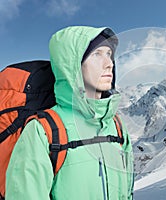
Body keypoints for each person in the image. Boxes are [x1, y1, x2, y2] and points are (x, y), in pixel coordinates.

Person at [5, 26, 134, 199]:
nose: (109, 63)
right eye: (97, 54)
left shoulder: (116, 126)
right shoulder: (43, 130)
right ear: (72, 65)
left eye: (109, 54)